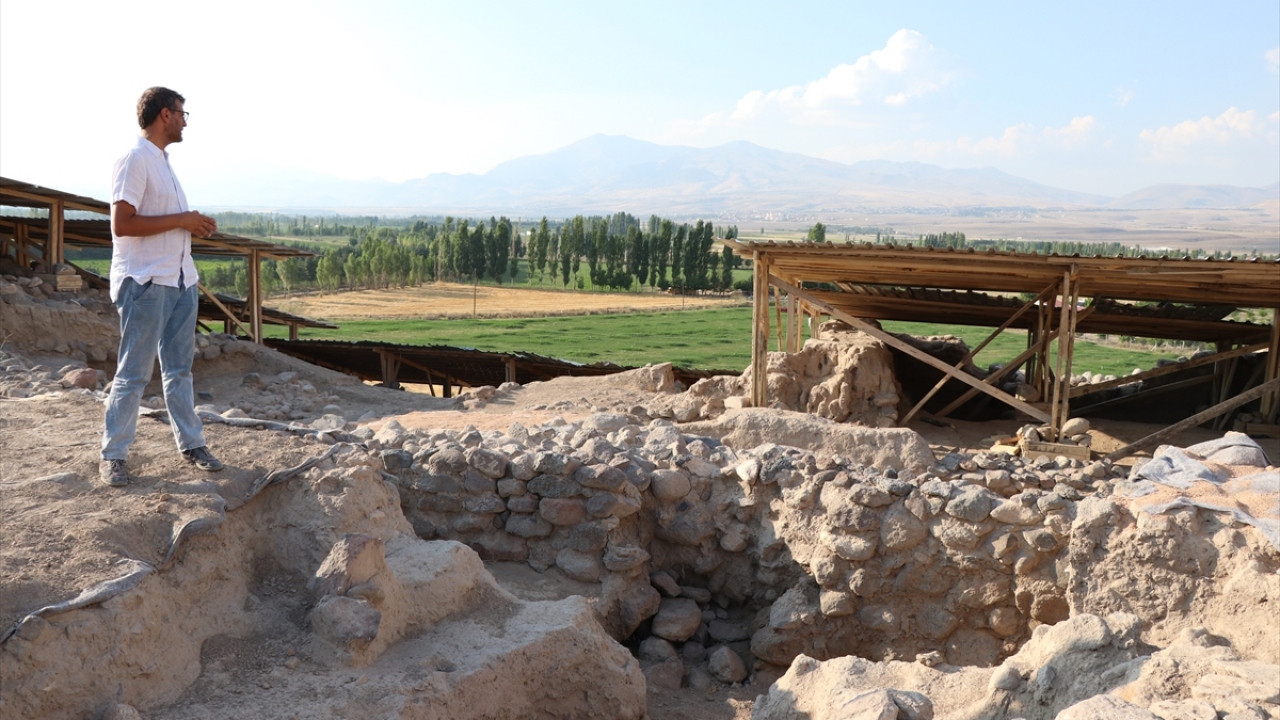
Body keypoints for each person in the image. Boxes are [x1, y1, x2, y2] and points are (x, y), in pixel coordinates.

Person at [99, 86, 223, 486]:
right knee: (134, 373)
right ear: (164, 114)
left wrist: (191, 225)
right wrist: (182, 220)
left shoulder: (162, 162)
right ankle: (113, 455)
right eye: (182, 114)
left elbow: (164, 220)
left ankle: (192, 444)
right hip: (146, 282)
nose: (186, 122)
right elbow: (122, 224)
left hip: (181, 279)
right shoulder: (134, 160)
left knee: (179, 370)